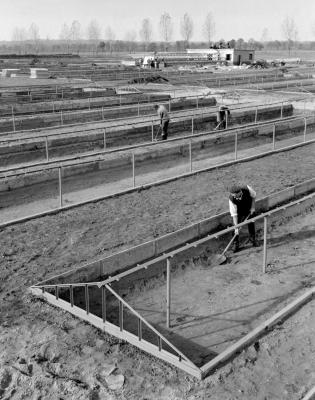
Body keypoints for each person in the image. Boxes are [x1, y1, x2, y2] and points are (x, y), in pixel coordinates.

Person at [228, 184, 258, 252]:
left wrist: (253, 207)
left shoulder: (247, 189)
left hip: (249, 208)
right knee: (234, 227)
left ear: (239, 192)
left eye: (234, 195)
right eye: (232, 195)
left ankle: (252, 239)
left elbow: (254, 196)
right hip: (239, 212)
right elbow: (234, 215)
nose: (233, 196)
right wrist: (236, 227)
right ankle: (236, 244)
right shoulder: (232, 199)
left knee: (251, 222)